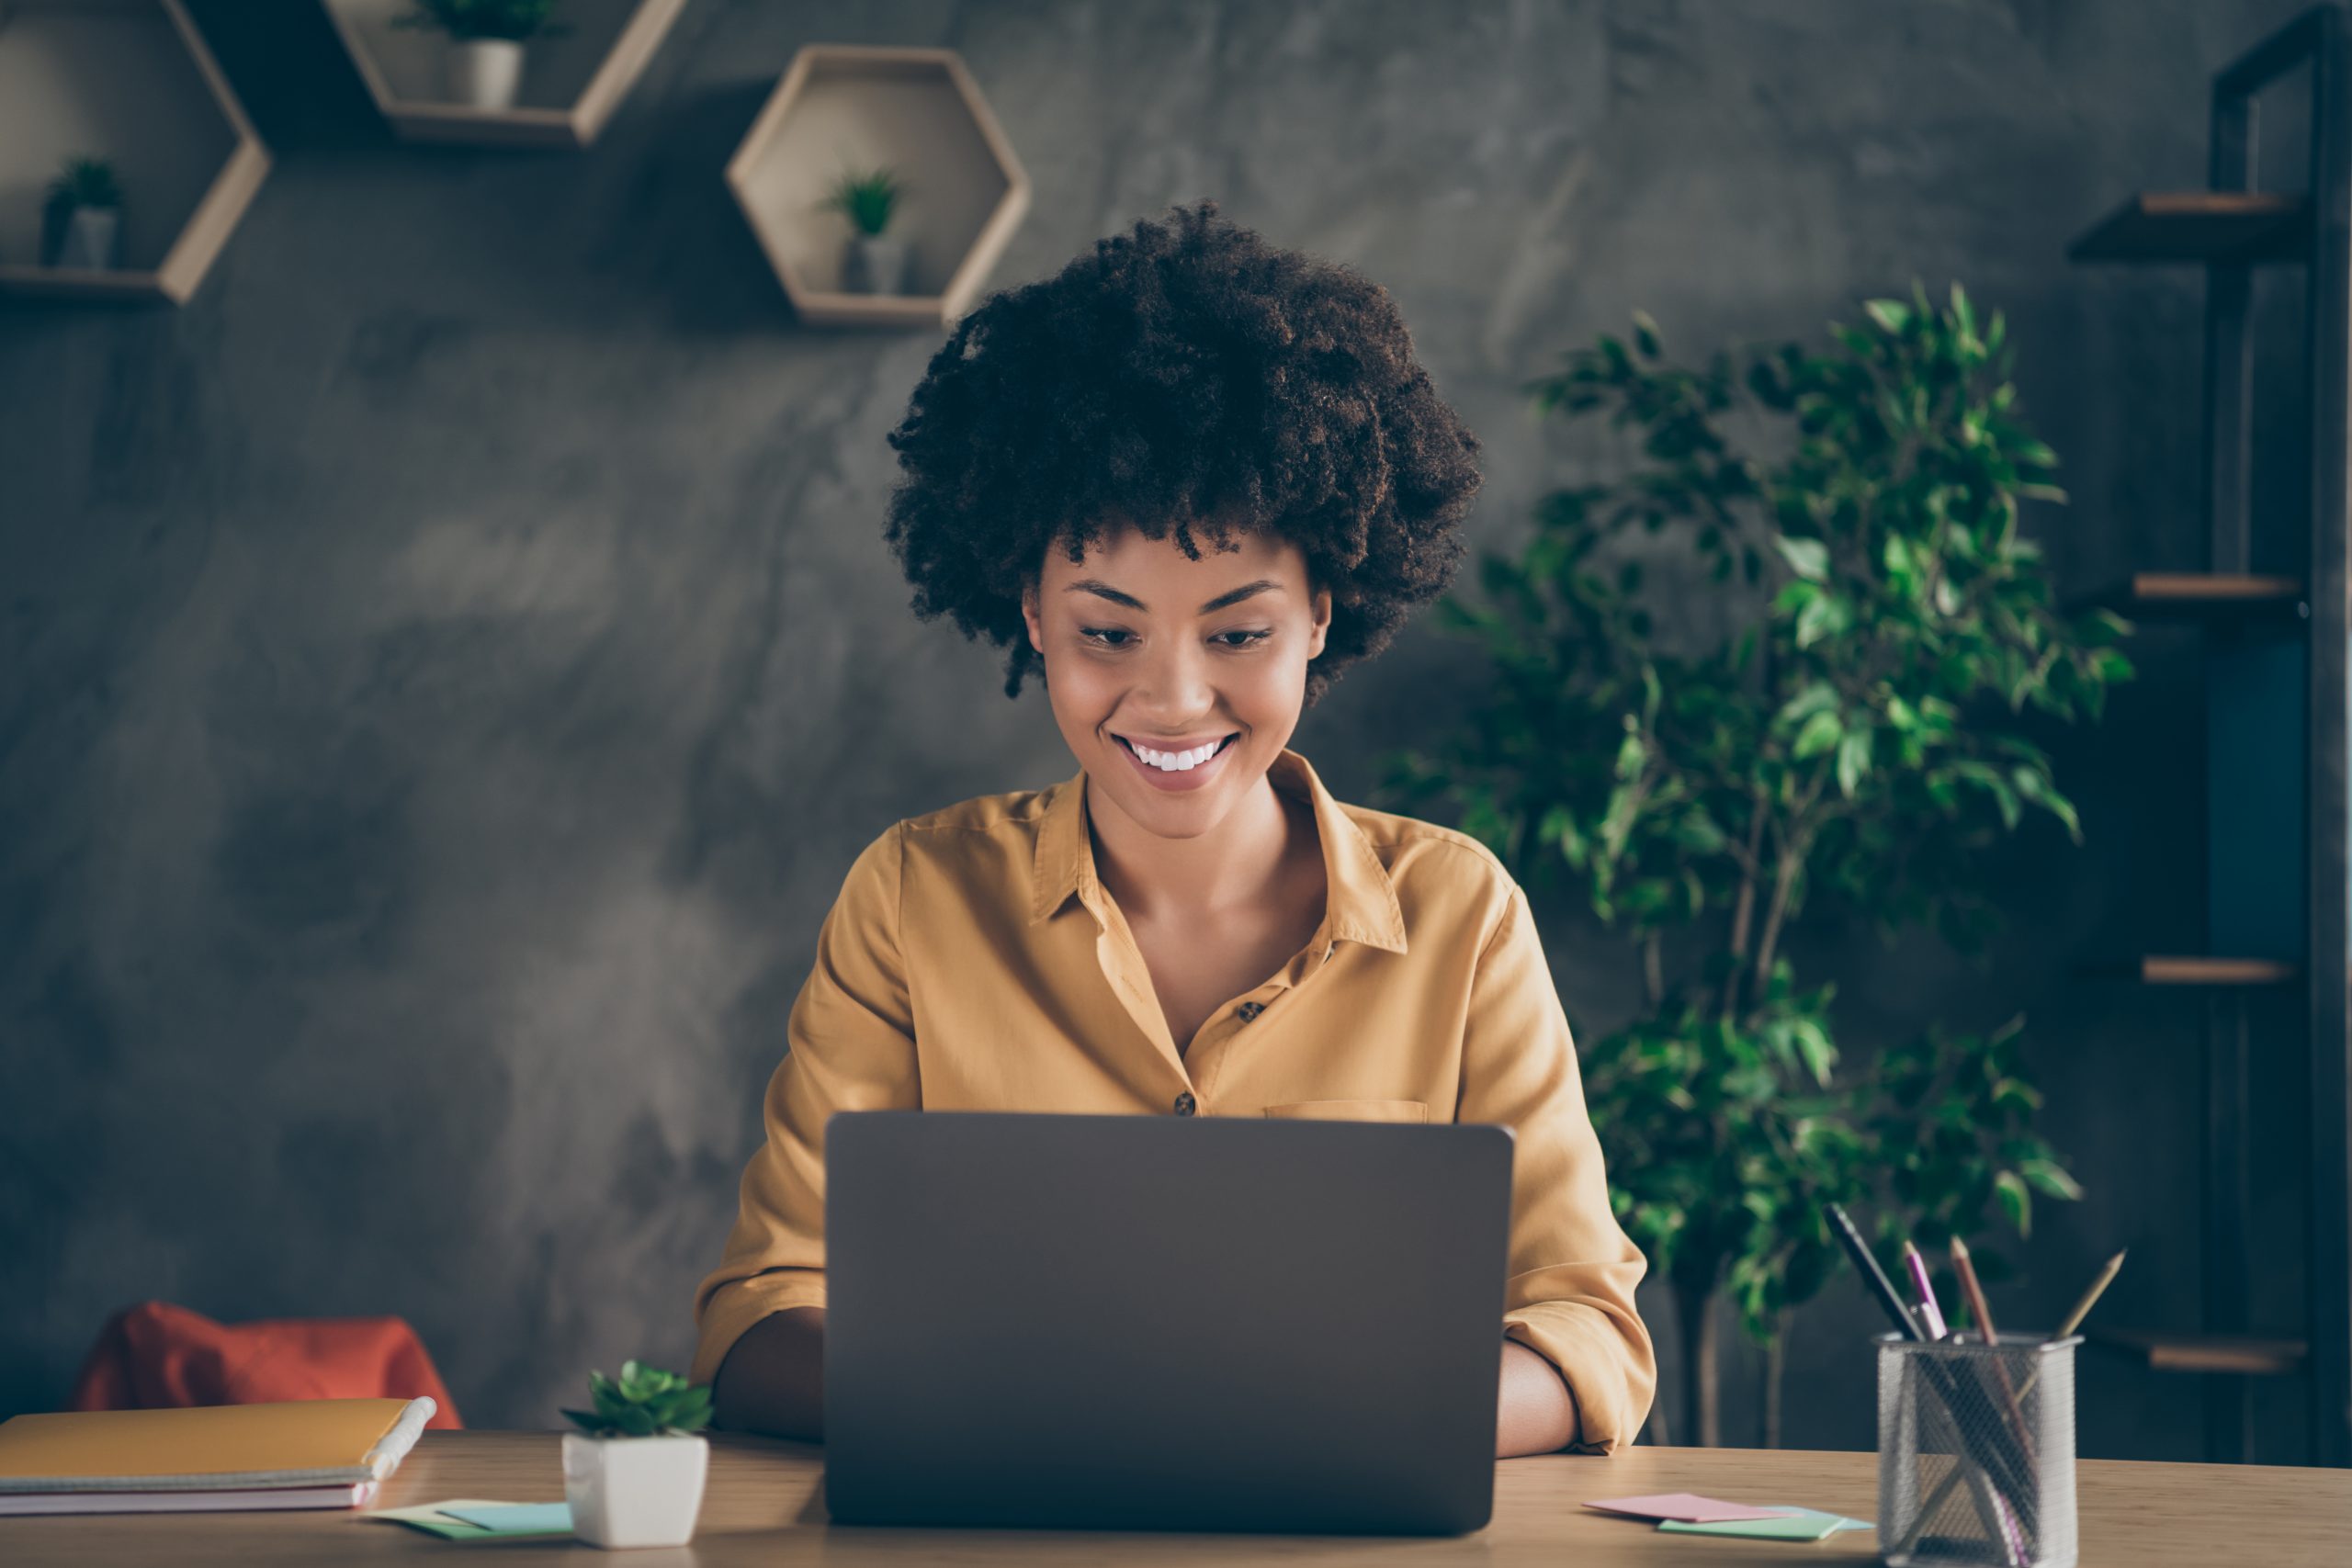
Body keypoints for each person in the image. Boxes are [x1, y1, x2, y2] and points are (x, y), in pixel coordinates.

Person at [690, 199, 1655, 1458]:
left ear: (1327, 613)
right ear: (1029, 611)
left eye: (1239, 632)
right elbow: (760, 1327)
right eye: (1106, 631)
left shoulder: (1460, 917)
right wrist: (1084, 1416)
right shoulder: (912, 901)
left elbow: (1583, 1331)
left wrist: (1312, 1421)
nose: (1173, 698)